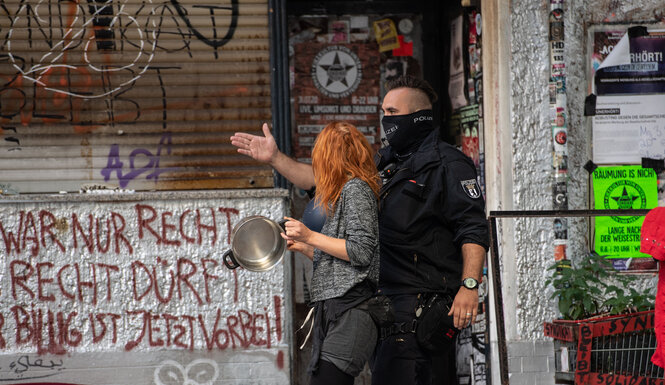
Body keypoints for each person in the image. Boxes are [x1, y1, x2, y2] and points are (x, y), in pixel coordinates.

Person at [231, 75, 489, 385]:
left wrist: (470, 285)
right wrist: (275, 158)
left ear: (418, 116)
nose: (385, 120)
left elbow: (472, 228)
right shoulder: (384, 163)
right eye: (384, 111)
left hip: (417, 306)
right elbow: (322, 182)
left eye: (393, 113)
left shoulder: (449, 164)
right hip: (377, 305)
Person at [278, 122, 381, 385]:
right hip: (336, 310)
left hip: (353, 309)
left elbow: (361, 252)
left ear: (329, 156)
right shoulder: (342, 194)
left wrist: (310, 235)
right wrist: (305, 246)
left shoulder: (355, 189)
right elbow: (345, 263)